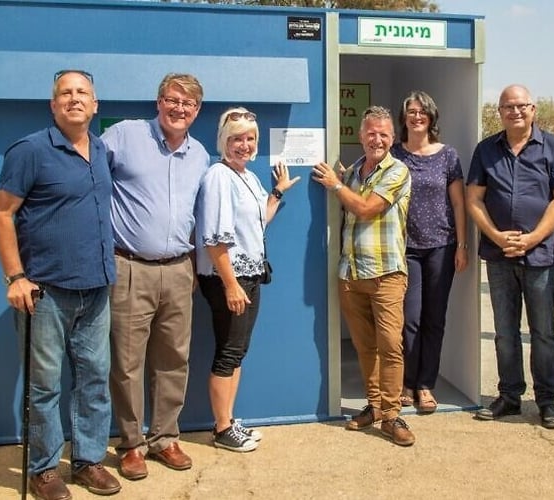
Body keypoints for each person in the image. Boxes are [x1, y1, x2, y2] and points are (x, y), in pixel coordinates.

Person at [0, 69, 121, 499]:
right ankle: (44, 469)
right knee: (45, 385)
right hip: (44, 292)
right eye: (65, 93)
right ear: (53, 105)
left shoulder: (100, 150)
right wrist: (15, 276)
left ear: (95, 105)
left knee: (95, 378)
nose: (74, 99)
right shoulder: (30, 151)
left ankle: (88, 461)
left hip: (97, 288)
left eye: (83, 92)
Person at [101, 74, 209, 480]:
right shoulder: (124, 135)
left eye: (188, 103)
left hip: (180, 269)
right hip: (130, 268)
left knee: (173, 359)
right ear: (159, 101)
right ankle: (131, 444)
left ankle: (164, 438)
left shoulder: (200, 154)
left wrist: (196, 266)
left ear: (197, 111)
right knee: (128, 362)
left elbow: (200, 215)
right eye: (172, 99)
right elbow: (87, 178)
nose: (179, 108)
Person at [466, 85, 554, 429]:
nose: (515, 111)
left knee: (543, 332)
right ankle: (510, 396)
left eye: (521, 106)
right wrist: (496, 236)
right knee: (504, 332)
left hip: (540, 256)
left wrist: (532, 238)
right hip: (499, 257)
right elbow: (473, 199)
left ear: (533, 109)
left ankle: (547, 401)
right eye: (507, 107)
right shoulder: (486, 150)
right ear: (499, 112)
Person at [195, 107, 299, 452]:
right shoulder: (218, 177)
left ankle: (228, 419)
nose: (244, 144)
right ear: (224, 140)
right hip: (231, 278)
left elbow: (258, 222)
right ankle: (222, 427)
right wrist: (231, 284)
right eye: (237, 138)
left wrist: (278, 193)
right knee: (228, 352)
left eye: (250, 138)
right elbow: (214, 238)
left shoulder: (248, 176)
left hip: (250, 277)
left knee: (237, 351)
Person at [311, 106, 414, 446]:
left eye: (384, 134)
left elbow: (367, 209)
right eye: (371, 133)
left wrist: (336, 184)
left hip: (386, 274)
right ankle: (373, 407)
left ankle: (392, 414)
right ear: (360, 136)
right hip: (351, 274)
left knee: (390, 346)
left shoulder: (397, 171)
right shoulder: (355, 170)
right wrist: (342, 180)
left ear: (393, 138)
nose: (377, 139)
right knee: (364, 347)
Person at [390, 91, 468, 414]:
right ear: (404, 117)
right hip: (405, 248)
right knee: (409, 320)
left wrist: (462, 245)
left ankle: (425, 385)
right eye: (411, 111)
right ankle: (407, 381)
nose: (417, 116)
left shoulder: (447, 156)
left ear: (432, 117)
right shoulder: (394, 154)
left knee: (435, 318)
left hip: (441, 246)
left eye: (422, 111)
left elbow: (459, 202)